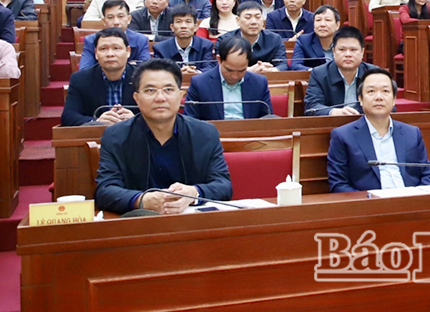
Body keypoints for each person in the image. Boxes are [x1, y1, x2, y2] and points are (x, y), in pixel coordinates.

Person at [94, 59, 232, 215]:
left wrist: (193, 193)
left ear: (180, 95)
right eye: (150, 90)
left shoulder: (205, 134)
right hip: (139, 222)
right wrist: (141, 200)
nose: (160, 98)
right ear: (136, 98)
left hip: (191, 221)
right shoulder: (115, 136)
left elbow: (223, 185)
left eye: (168, 89)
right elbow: (105, 191)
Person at [327, 68, 430, 192]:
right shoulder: (343, 136)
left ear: (394, 99)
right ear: (360, 99)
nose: (379, 97)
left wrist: (416, 197)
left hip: (410, 199)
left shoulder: (412, 133)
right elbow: (338, 184)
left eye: (385, 91)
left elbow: (428, 175)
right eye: (371, 91)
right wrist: (371, 200)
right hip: (370, 202)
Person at [184, 35, 273, 120]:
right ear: (219, 60)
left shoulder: (259, 83)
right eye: (229, 70)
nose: (235, 76)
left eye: (241, 71)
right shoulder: (200, 83)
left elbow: (267, 119)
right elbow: (190, 120)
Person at [61, 27, 137, 126]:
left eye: (116, 48)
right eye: (103, 49)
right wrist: (96, 122)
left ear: (128, 51)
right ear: (96, 53)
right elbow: (68, 116)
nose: (110, 54)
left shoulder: (143, 78)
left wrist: (137, 120)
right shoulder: (80, 79)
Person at [305, 26, 378, 116]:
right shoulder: (318, 74)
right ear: (333, 52)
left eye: (353, 50)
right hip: (333, 123)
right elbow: (311, 107)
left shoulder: (375, 74)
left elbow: (389, 104)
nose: (348, 54)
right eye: (342, 50)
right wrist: (334, 112)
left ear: (362, 52)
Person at [78, 0, 151, 69]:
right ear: (104, 21)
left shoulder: (140, 40)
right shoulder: (91, 40)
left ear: (129, 19)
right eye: (110, 17)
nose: (116, 22)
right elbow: (84, 70)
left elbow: (147, 69)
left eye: (120, 16)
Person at [217, 2, 288, 72]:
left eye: (258, 17)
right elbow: (219, 66)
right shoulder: (225, 40)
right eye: (248, 17)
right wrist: (250, 70)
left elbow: (283, 65)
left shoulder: (274, 39)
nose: (254, 22)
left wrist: (270, 70)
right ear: (238, 20)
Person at [153, 5, 216, 74]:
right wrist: (177, 73)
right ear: (172, 27)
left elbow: (209, 68)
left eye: (188, 21)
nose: (183, 26)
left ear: (195, 27)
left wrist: (196, 72)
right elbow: (158, 72)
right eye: (178, 21)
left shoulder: (205, 45)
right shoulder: (160, 49)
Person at [290, 5, 340, 71]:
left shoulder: (345, 42)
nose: (322, 24)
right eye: (318, 20)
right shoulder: (304, 41)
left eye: (328, 20)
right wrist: (315, 72)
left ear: (337, 25)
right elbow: (295, 65)